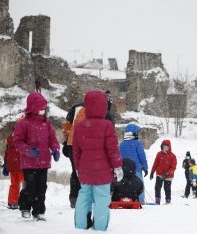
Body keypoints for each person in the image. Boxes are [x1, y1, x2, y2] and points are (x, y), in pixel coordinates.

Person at [72, 89, 123, 231]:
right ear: (104, 106)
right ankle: (100, 227)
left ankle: (81, 225)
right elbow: (112, 149)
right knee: (101, 198)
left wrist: (77, 167)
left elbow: (76, 150)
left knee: (84, 197)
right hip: (103, 170)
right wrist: (118, 166)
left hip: (85, 169)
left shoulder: (79, 126)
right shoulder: (107, 125)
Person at [13, 92, 60, 221]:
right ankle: (25, 207)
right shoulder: (23, 123)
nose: (43, 110)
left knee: (41, 188)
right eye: (40, 108)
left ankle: (38, 211)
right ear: (33, 108)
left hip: (44, 161)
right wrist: (28, 150)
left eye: (44, 108)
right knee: (30, 187)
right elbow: (17, 141)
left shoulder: (47, 124)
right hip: (29, 162)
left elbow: (53, 139)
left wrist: (55, 149)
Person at [61, 102, 83, 208]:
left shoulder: (75, 107)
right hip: (88, 145)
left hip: (72, 144)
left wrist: (67, 141)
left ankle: (74, 199)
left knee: (75, 172)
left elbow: (66, 127)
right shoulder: (97, 108)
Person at [119, 123, 148, 203]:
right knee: (139, 185)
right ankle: (140, 200)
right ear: (134, 133)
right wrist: (145, 168)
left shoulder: (121, 144)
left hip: (124, 169)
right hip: (136, 169)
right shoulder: (137, 143)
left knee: (125, 185)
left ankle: (126, 199)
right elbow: (142, 156)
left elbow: (119, 157)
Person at [150, 139, 177, 205]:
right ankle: (157, 201)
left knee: (167, 188)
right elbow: (155, 163)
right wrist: (152, 172)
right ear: (162, 146)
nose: (165, 147)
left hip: (168, 176)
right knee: (157, 187)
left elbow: (173, 167)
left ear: (169, 147)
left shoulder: (173, 156)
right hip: (159, 174)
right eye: (164, 146)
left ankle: (167, 201)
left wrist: (167, 173)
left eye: (167, 146)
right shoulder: (159, 154)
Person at [2, 131, 24, 209]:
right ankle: (24, 203)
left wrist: (5, 164)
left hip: (12, 166)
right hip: (22, 166)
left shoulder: (11, 138)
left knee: (14, 184)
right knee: (26, 185)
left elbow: (6, 153)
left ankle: (12, 203)